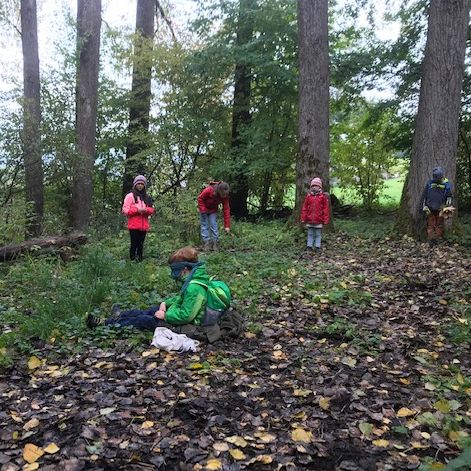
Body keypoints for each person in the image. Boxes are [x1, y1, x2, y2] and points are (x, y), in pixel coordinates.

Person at [86, 246, 212, 330]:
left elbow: (187, 316)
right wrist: (166, 303)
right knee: (151, 310)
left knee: (144, 320)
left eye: (175, 270)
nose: (173, 274)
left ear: (184, 269)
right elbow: (182, 299)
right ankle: (120, 316)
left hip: (184, 325)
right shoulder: (193, 281)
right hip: (176, 315)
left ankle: (105, 324)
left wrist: (166, 316)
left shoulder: (194, 287)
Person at [122, 175, 154, 261]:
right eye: (138, 183)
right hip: (134, 225)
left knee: (141, 244)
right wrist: (137, 210)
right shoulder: (130, 196)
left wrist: (145, 210)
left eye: (142, 184)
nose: (140, 185)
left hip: (144, 226)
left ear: (144, 185)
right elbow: (125, 210)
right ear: (135, 185)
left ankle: (140, 260)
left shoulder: (147, 197)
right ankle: (132, 260)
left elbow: (151, 210)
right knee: (134, 244)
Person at [422, 166, 453, 242]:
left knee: (438, 224)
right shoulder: (429, 183)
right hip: (430, 207)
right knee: (431, 224)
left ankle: (437, 238)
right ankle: (432, 239)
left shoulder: (446, 184)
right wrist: (424, 205)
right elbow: (425, 195)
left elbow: (449, 196)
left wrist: (447, 207)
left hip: (441, 208)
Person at [197, 181, 231, 251]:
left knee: (214, 225)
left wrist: (227, 226)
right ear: (219, 191)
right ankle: (206, 243)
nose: (224, 196)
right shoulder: (209, 190)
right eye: (223, 194)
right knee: (204, 225)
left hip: (213, 210)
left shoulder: (225, 196)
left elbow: (226, 210)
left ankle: (216, 243)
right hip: (204, 209)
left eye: (226, 194)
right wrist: (203, 210)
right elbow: (200, 198)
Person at [300, 177, 330, 252]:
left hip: (319, 220)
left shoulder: (322, 197)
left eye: (316, 186)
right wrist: (303, 218)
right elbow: (305, 207)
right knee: (310, 234)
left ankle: (317, 246)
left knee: (318, 234)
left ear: (319, 187)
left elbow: (325, 209)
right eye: (313, 186)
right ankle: (309, 246)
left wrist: (326, 219)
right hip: (310, 219)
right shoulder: (309, 196)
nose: (314, 187)